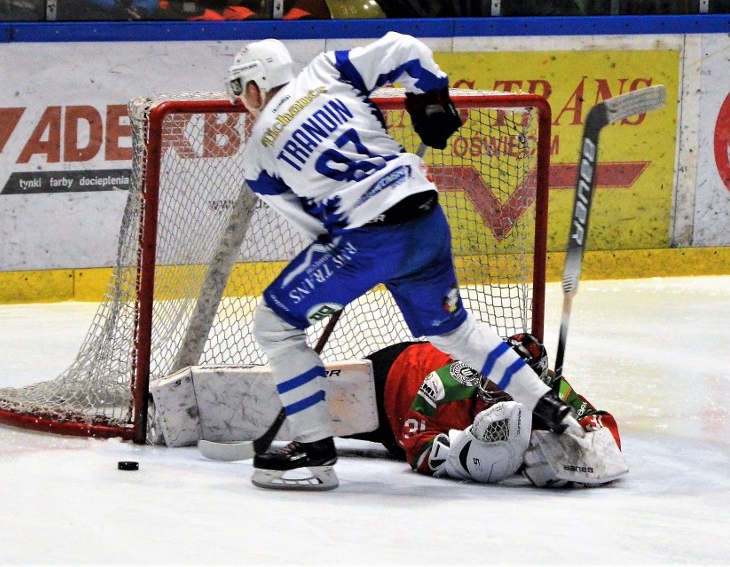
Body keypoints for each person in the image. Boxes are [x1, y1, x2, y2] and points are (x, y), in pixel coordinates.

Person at [226, 32, 579, 491]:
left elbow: (315, 226)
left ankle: (314, 453)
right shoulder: (328, 71)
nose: (240, 101)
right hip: (425, 219)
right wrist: (429, 102)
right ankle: (549, 407)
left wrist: (343, 276)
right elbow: (405, 47)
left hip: (365, 241)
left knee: (276, 325)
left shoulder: (257, 154)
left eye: (240, 89)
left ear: (255, 87)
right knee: (454, 331)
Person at [353, 333, 623, 486]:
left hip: (398, 427)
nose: (496, 387)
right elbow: (416, 444)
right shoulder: (448, 385)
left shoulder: (552, 397)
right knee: (314, 424)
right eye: (495, 375)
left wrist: (571, 450)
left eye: (511, 383)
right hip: (393, 377)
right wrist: (460, 459)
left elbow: (603, 427)